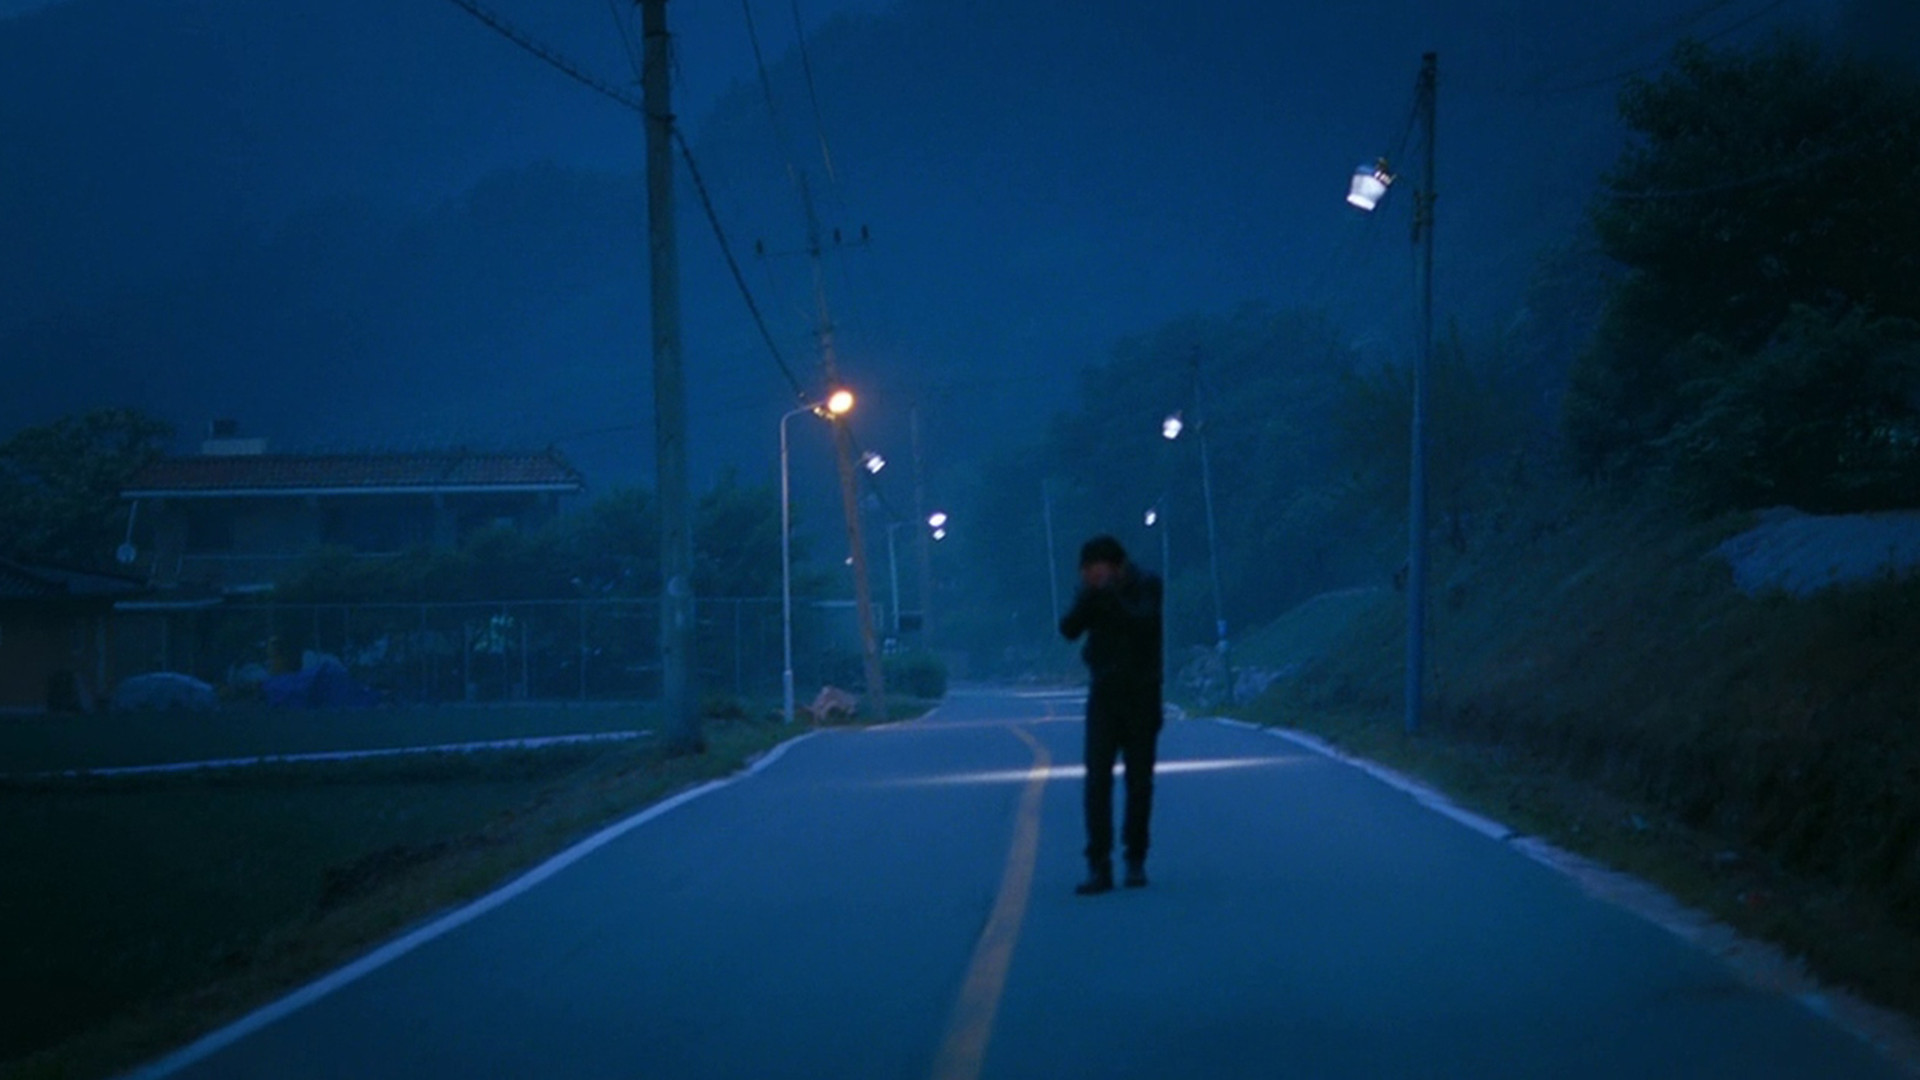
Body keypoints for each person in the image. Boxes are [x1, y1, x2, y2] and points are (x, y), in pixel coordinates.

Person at [1059, 534, 1164, 895]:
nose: (1087, 575)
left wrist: (1110, 596)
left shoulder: (1146, 584)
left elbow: (1143, 622)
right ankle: (1098, 863)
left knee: (1139, 781)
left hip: (1142, 693)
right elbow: (1069, 629)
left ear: (1113, 566)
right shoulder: (1091, 593)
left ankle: (1135, 858)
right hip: (1103, 696)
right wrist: (1090, 598)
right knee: (1096, 781)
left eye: (1093, 568)